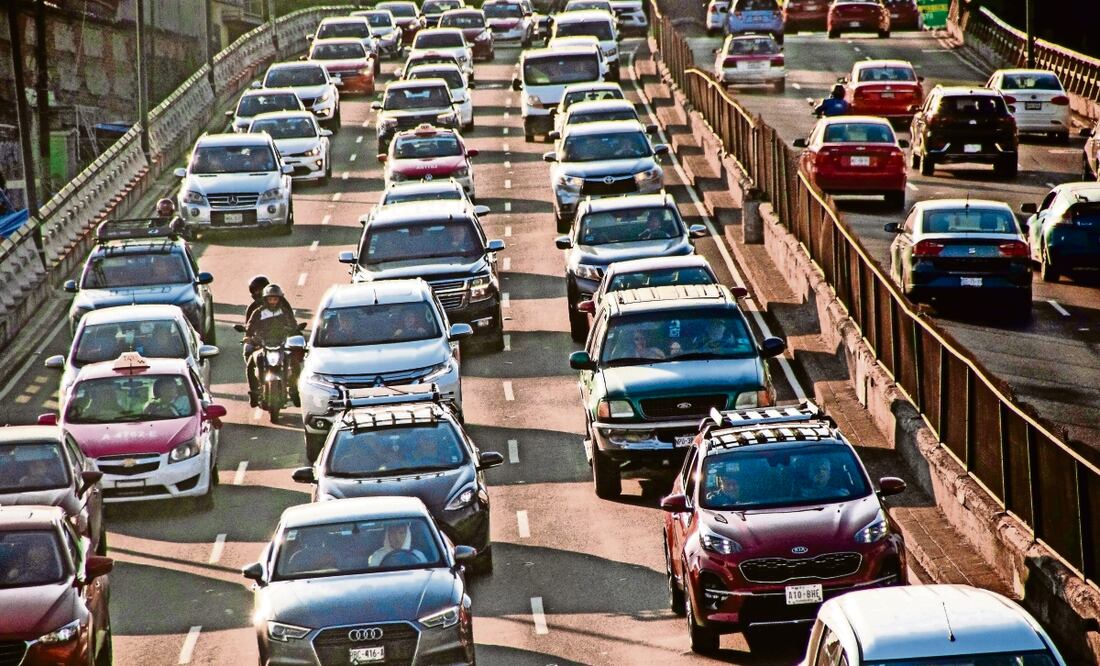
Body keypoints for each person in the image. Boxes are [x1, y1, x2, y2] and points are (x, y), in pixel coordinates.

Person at [244, 284, 301, 407]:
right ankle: (254, 393)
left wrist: (295, 331)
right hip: (262, 344)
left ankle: (294, 390)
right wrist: (248, 336)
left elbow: (293, 324)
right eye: (270, 299)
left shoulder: (284, 312)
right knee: (250, 364)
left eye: (275, 299)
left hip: (281, 343)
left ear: (279, 299)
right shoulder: (258, 312)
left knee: (295, 363)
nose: (273, 302)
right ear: (265, 299)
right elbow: (250, 326)